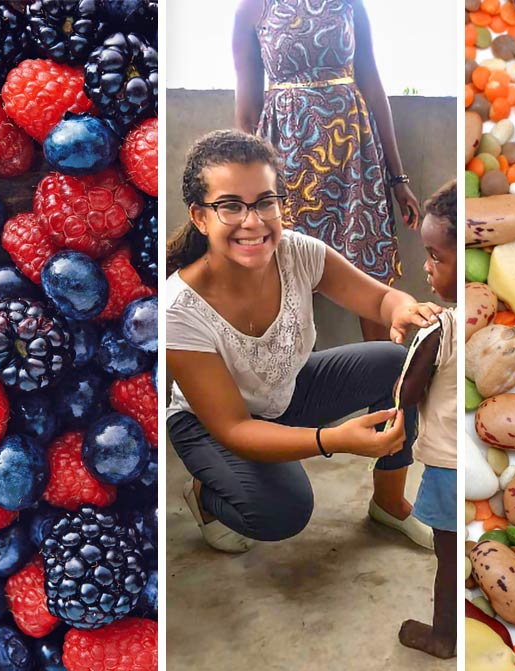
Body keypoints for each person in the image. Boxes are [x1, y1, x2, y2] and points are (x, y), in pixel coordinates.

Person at [164, 129, 440, 554]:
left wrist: (401, 309)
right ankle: (207, 494)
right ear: (200, 217)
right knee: (282, 511)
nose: (252, 221)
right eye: (231, 206)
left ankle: (388, 503)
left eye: (265, 202)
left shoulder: (298, 253)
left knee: (395, 362)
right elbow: (235, 427)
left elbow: (381, 298)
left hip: (286, 390)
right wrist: (333, 439)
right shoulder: (179, 308)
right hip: (213, 423)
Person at [233, 0, 421, 342]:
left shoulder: (350, 4)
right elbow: (247, 115)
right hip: (286, 163)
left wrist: (398, 178)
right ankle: (295, 388)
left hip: (354, 160)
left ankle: (385, 386)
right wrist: (250, 186)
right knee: (289, 276)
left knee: (369, 271)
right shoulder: (254, 8)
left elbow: (373, 86)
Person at [395, 180, 456, 659]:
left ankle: (443, 636)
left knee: (448, 556)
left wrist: (407, 347)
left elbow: (407, 392)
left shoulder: (442, 326)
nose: (427, 267)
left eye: (437, 257)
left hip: (447, 466)